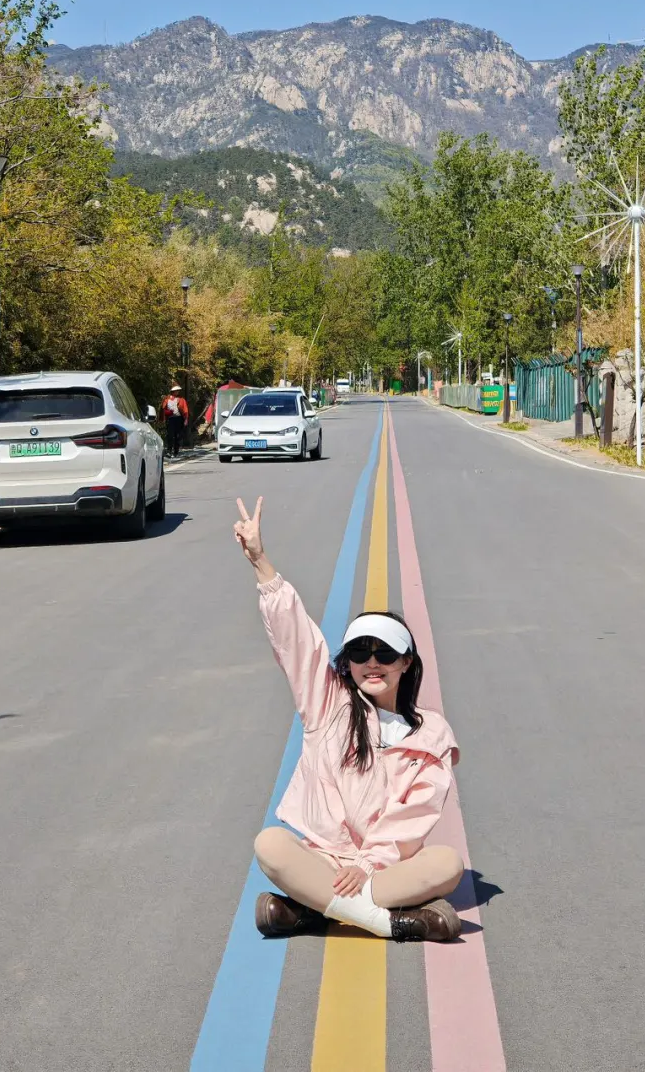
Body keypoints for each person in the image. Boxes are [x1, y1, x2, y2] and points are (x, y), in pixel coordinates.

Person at [233, 496, 465, 942]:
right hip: (325, 858)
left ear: (406, 662)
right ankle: (389, 923)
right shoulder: (329, 704)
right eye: (360, 652)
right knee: (270, 845)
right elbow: (298, 640)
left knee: (447, 865)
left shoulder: (431, 734)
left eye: (385, 653)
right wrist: (261, 562)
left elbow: (414, 817)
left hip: (385, 868)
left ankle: (309, 909)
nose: (371, 662)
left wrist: (367, 866)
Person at [160, 384, 188, 459]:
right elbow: (163, 409)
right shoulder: (166, 399)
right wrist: (163, 417)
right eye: (176, 391)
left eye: (178, 391)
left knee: (177, 436)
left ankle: (176, 451)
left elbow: (185, 410)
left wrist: (185, 419)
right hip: (170, 419)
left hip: (179, 419)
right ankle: (169, 450)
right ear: (173, 391)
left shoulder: (181, 399)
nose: (177, 392)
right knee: (170, 435)